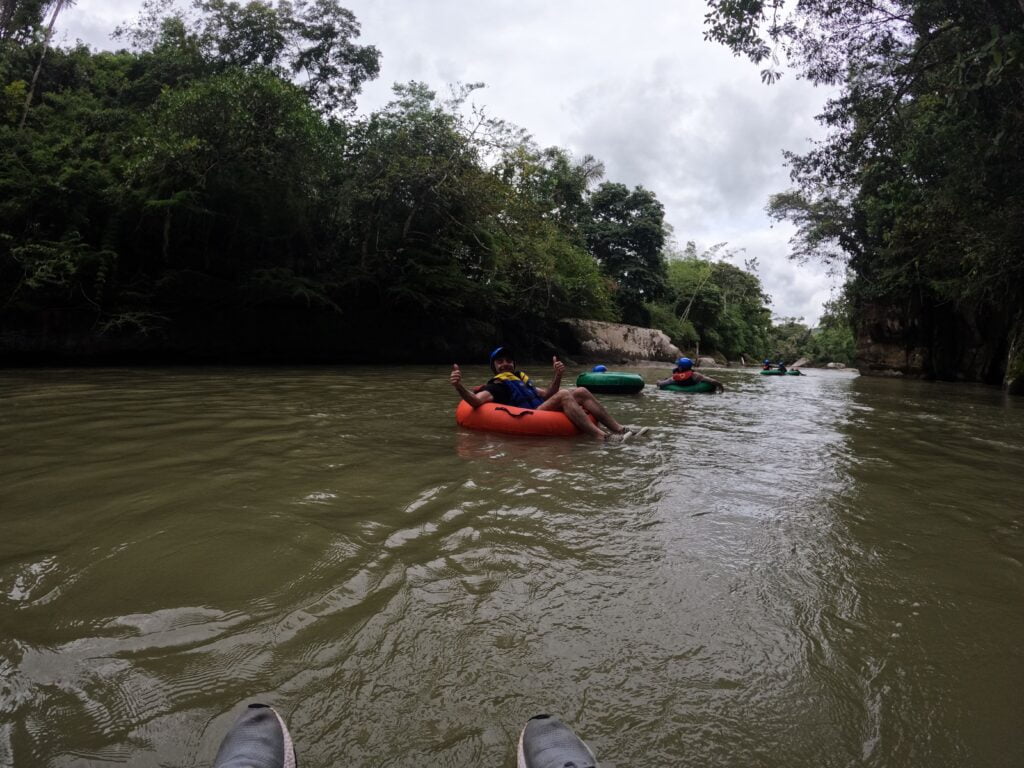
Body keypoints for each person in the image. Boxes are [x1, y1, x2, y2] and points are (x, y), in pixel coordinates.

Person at [450, 345, 640, 441]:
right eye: (500, 361)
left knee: (581, 391)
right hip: (532, 416)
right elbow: (475, 401)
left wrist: (557, 375)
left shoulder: (521, 379)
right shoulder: (496, 386)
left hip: (540, 409)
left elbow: (548, 394)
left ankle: (620, 429)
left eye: (508, 360)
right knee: (565, 395)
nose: (505, 363)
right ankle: (602, 438)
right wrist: (459, 386)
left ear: (514, 364)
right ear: (494, 367)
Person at [657, 356, 724, 392]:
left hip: (679, 387)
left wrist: (658, 382)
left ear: (680, 368)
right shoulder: (695, 375)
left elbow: (661, 384)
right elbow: (711, 381)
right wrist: (721, 387)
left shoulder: (674, 378)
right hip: (692, 388)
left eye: (678, 366)